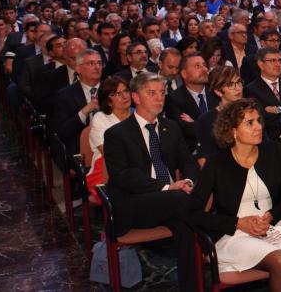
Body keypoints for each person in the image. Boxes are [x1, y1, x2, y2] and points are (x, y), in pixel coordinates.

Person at [190, 98, 281, 292]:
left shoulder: (272, 151)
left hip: (271, 225)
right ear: (232, 131)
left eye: (258, 121)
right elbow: (192, 212)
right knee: (280, 259)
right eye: (250, 123)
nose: (258, 127)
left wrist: (272, 215)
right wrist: (237, 223)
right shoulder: (216, 164)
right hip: (234, 233)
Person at [102, 72, 198, 290]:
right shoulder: (117, 134)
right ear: (136, 97)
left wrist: (189, 181)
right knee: (185, 203)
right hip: (135, 204)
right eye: (152, 93)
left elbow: (188, 161)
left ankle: (192, 286)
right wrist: (168, 187)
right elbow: (123, 177)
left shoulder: (171, 127)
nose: (159, 98)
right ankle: (218, 245)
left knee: (186, 224)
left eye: (162, 93)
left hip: (173, 201)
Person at [86, 76, 132, 197]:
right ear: (108, 101)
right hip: (105, 171)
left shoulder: (138, 114)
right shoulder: (100, 118)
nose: (125, 96)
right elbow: (109, 153)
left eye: (126, 91)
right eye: (118, 93)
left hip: (137, 168)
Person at [244, 47, 281, 143]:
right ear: (261, 64)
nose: (278, 64)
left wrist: (278, 109)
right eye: (272, 61)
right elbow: (263, 119)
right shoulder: (251, 89)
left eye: (279, 60)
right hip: (271, 140)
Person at [165, 52, 219, 148]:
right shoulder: (173, 99)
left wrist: (196, 124)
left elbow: (227, 127)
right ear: (184, 74)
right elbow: (187, 131)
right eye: (197, 66)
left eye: (204, 65)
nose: (205, 69)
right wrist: (213, 126)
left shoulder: (217, 92)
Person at [195, 65, 245, 160]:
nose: (238, 88)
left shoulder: (251, 110)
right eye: (230, 85)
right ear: (218, 92)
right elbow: (204, 158)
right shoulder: (207, 120)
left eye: (239, 82)